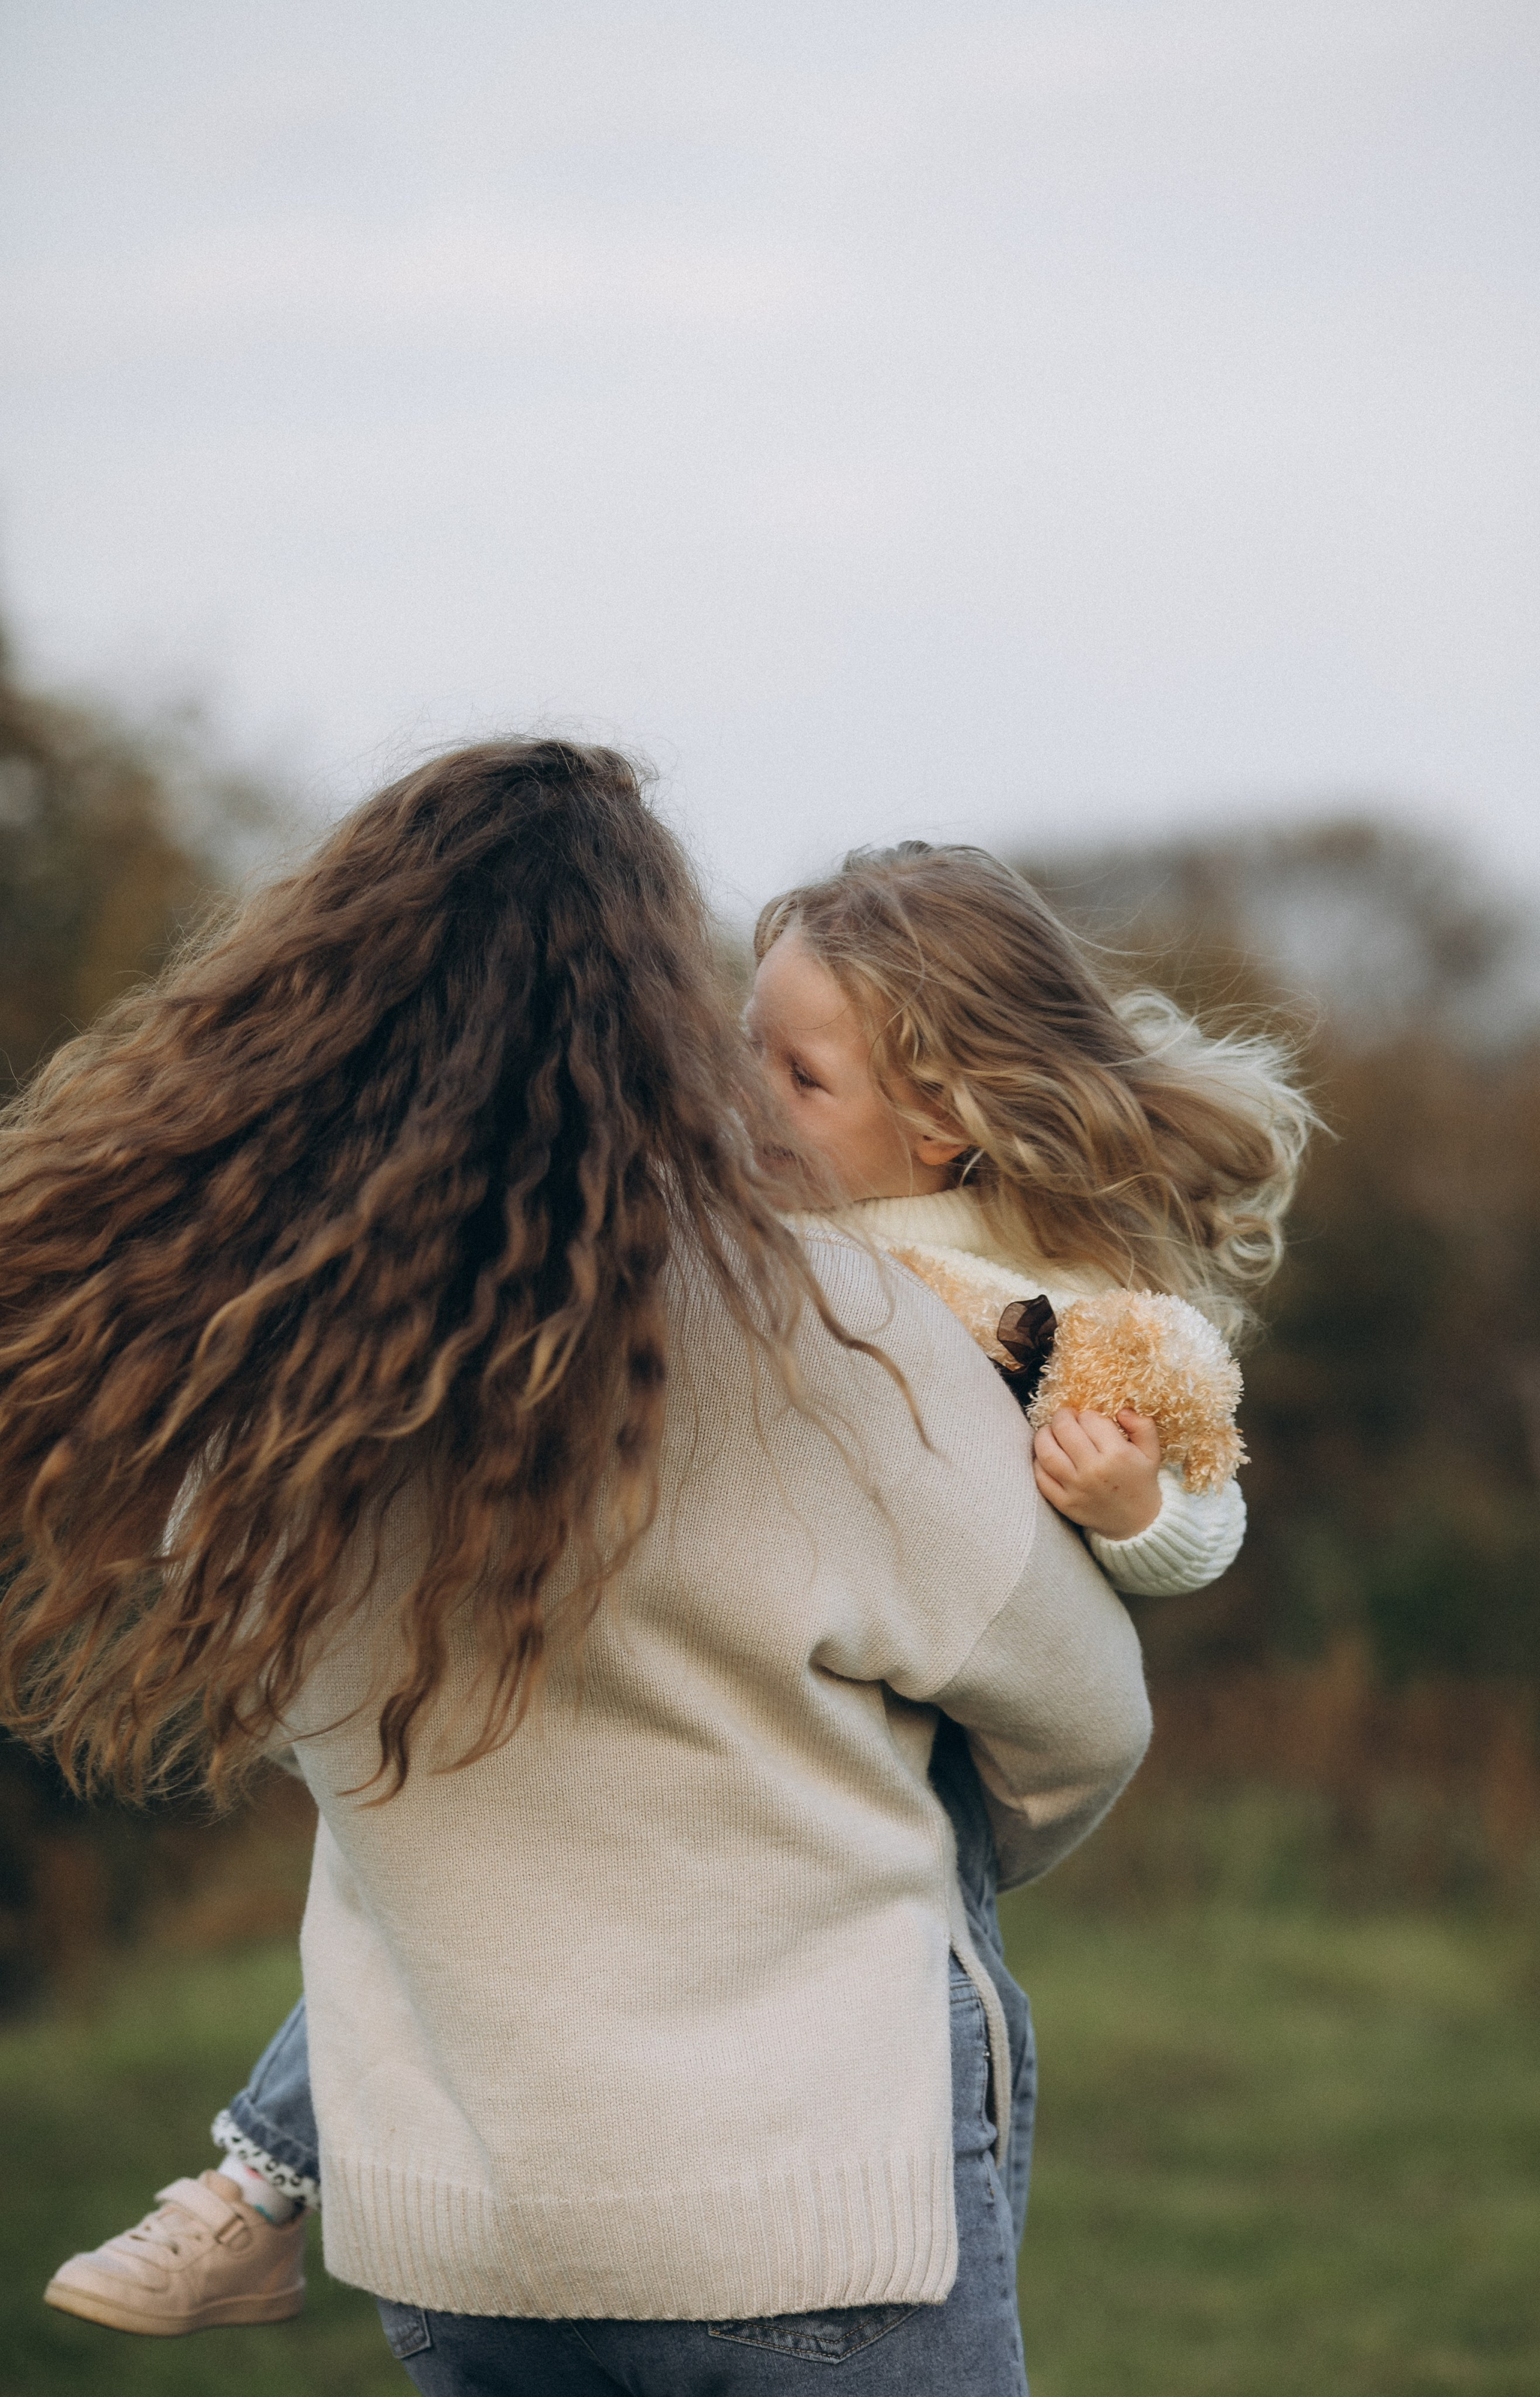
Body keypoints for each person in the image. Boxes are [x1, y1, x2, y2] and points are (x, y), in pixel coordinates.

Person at [7, 745, 1152, 2395]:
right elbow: (1082, 1723)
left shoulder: (269, 1381)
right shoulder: (838, 1340)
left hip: (466, 2246)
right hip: (806, 2221)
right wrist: (892, 1816)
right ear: (652, 1011)